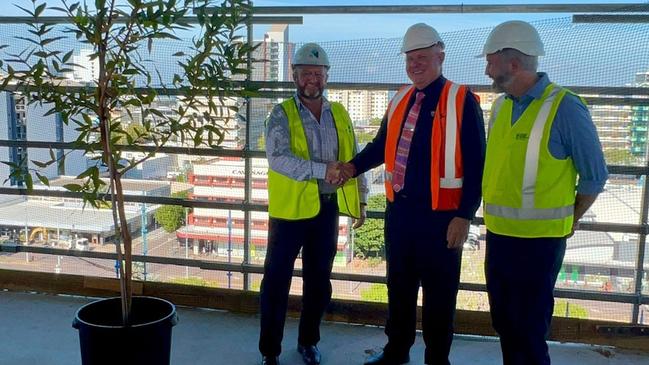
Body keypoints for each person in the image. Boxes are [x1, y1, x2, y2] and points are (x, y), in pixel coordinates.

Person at [341, 23, 486, 365]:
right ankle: (396, 352)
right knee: (400, 290)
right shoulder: (400, 98)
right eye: (410, 58)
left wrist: (464, 216)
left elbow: (478, 165)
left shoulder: (461, 100)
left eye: (422, 57)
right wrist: (351, 167)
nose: (415, 64)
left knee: (440, 296)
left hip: (442, 219)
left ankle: (437, 359)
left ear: (441, 56)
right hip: (400, 215)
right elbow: (380, 147)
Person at [479, 20, 608, 365]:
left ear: (514, 64)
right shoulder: (501, 106)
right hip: (500, 237)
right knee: (505, 325)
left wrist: (571, 217)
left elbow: (594, 176)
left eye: (491, 61)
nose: (487, 69)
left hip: (539, 243)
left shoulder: (565, 106)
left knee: (530, 331)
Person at [259, 42, 368, 365]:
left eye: (318, 74)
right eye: (306, 73)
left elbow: (354, 158)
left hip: (327, 210)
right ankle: (270, 351)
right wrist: (323, 170)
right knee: (276, 284)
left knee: (319, 284)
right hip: (289, 213)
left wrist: (361, 199)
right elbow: (278, 159)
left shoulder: (340, 114)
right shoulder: (281, 114)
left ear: (326, 77)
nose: (312, 79)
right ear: (294, 76)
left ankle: (308, 342)